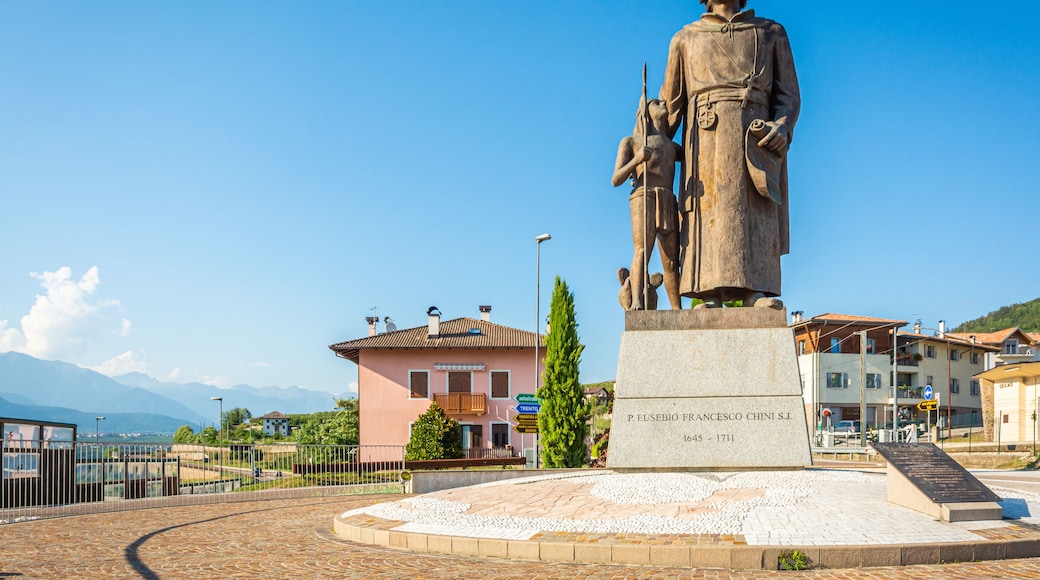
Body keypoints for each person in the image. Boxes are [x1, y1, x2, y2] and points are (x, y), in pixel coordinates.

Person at [659, 0, 799, 308]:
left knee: (755, 209)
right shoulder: (685, 38)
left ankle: (757, 291)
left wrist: (783, 128)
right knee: (708, 209)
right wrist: (647, 136)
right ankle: (707, 291)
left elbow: (788, 97)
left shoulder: (770, 33)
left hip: (754, 141)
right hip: (705, 143)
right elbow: (667, 111)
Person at [611, 96, 682, 310]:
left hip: (667, 198)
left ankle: (677, 309)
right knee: (642, 251)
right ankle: (637, 302)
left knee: (671, 260)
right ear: (645, 111)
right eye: (657, 102)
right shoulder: (632, 142)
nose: (664, 104)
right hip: (644, 196)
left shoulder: (670, 145)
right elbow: (616, 178)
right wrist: (637, 159)